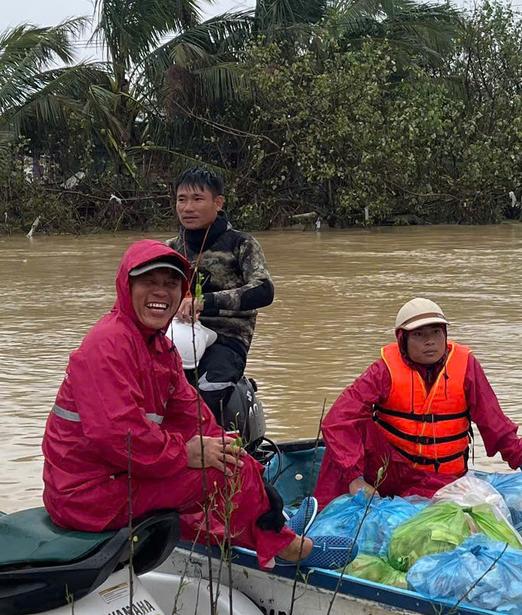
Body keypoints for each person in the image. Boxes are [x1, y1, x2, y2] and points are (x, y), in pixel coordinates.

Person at [42, 240, 353, 569]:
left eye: (171, 283)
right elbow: (120, 438)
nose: (161, 292)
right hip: (86, 495)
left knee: (230, 463)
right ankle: (283, 543)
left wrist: (246, 463)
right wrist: (186, 453)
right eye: (149, 282)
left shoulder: (160, 349)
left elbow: (196, 419)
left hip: (121, 480)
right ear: (126, 285)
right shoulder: (107, 346)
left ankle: (267, 527)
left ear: (183, 293)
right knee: (218, 475)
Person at [314, 299, 522, 504]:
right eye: (419, 334)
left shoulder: (467, 367)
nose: (430, 342)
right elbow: (337, 420)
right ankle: (321, 511)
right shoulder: (383, 371)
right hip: (389, 473)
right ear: (402, 339)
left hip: (444, 479)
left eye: (436, 332)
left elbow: (495, 424)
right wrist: (355, 479)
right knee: (348, 430)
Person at [166, 167, 273, 425]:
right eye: (182, 199)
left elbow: (264, 290)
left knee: (209, 395)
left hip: (228, 339)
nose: (187, 207)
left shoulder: (241, 244)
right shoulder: (169, 249)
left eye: (197, 199)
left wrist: (207, 302)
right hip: (176, 335)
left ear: (218, 202)